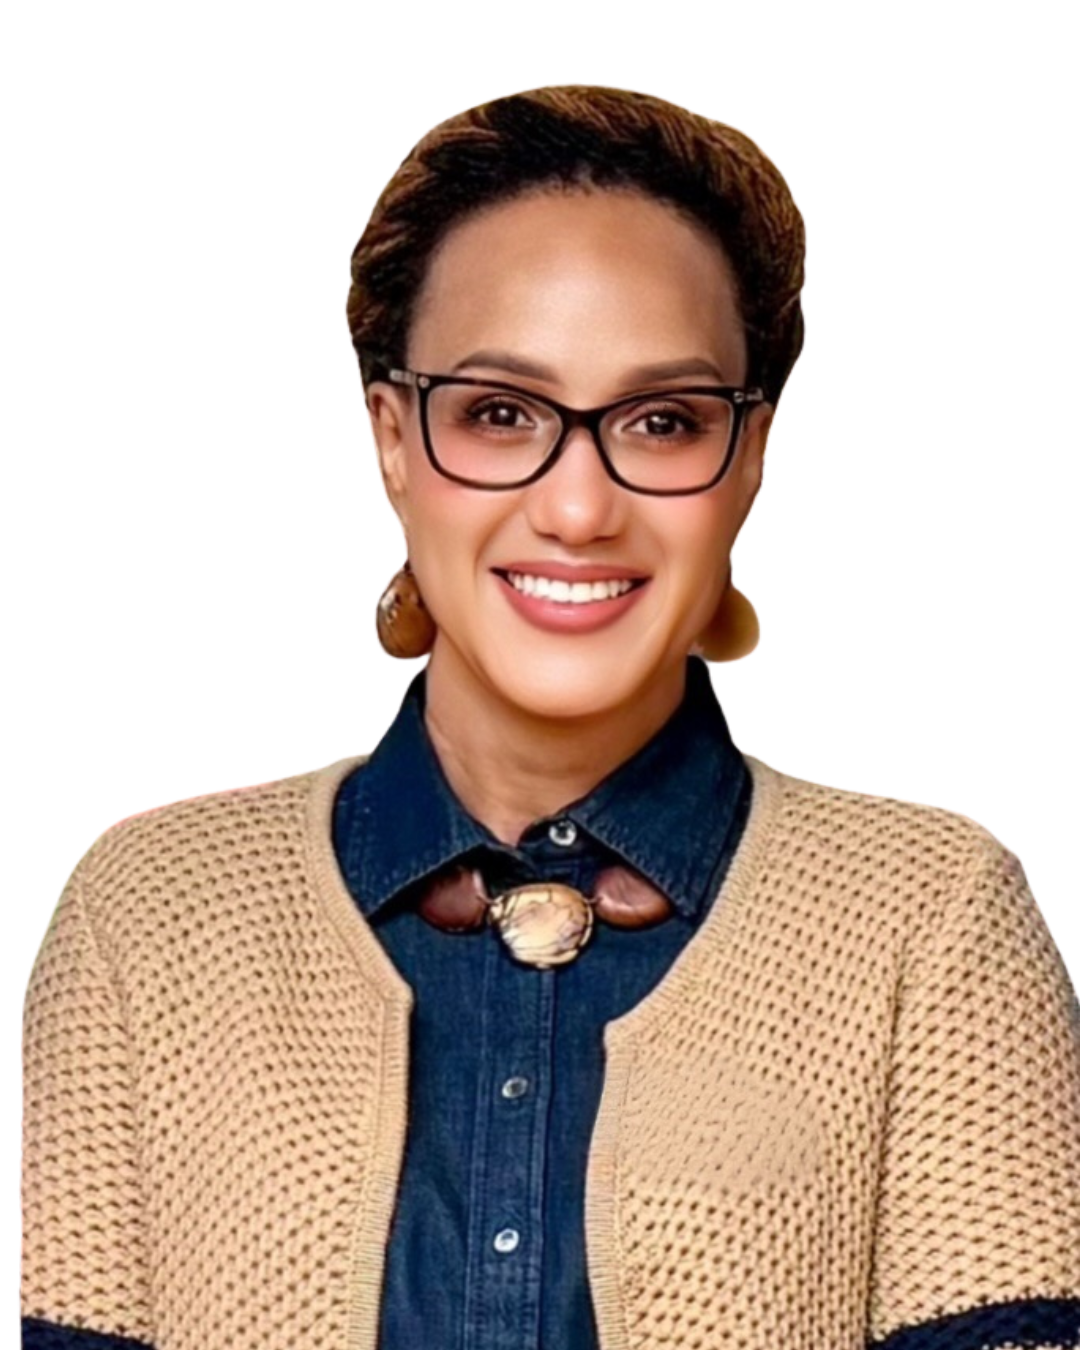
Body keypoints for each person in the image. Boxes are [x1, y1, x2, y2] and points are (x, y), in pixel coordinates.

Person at [20, 84, 1080, 1350]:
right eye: (500, 413)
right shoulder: (151, 918)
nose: (579, 508)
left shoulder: (932, 922)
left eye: (665, 421)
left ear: (749, 459)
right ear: (394, 437)